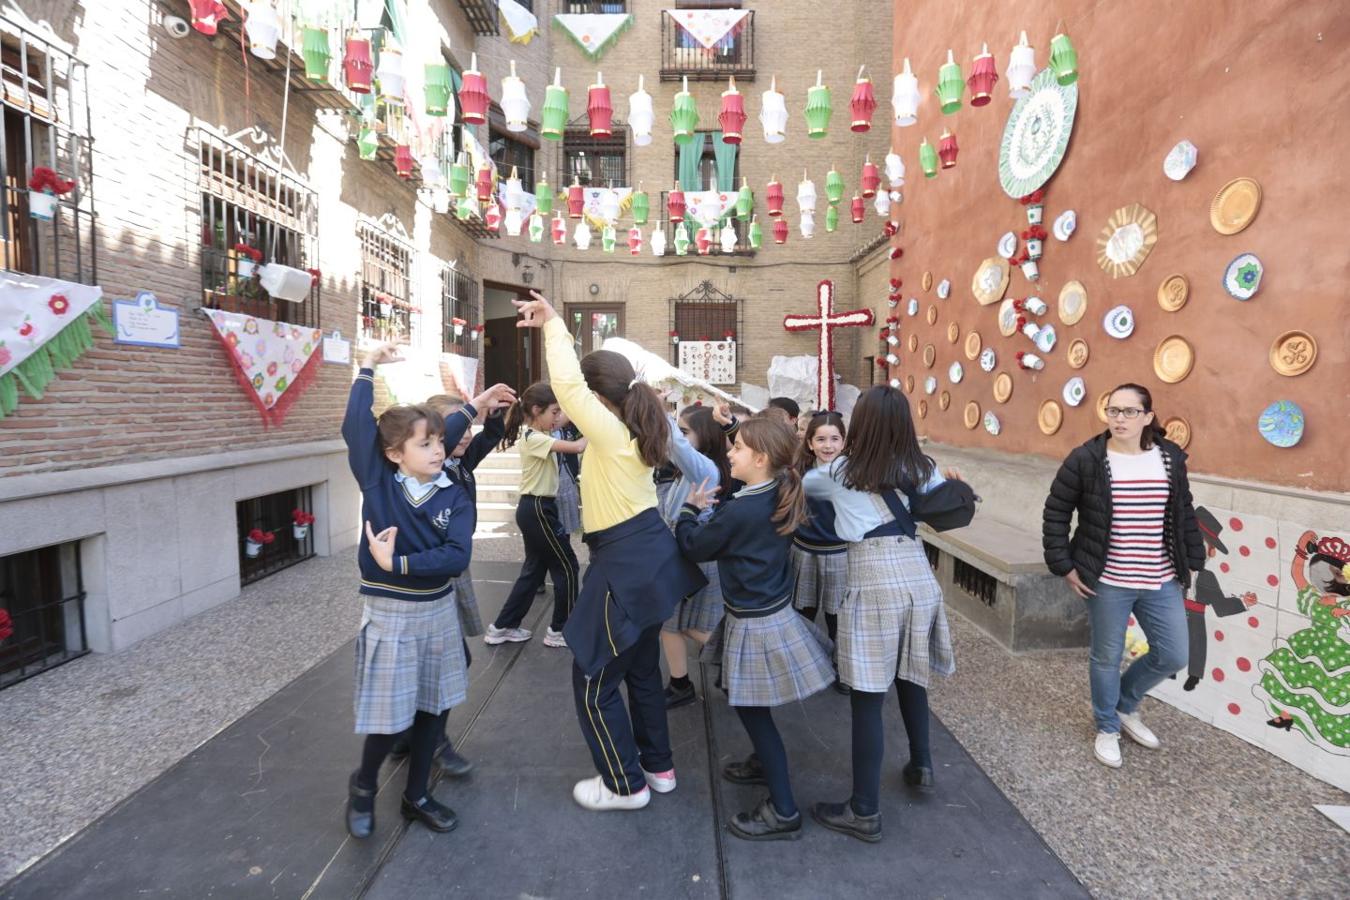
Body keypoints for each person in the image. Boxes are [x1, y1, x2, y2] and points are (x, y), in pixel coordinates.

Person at [513, 290, 706, 811]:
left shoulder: (612, 428)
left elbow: (568, 388)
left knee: (593, 675)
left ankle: (624, 784)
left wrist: (554, 323)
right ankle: (658, 768)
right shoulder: (634, 431)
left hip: (625, 563)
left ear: (600, 399)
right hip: (648, 558)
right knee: (641, 670)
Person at [341, 343, 512, 838]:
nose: (439, 449)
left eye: (441, 441)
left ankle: (416, 795)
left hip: (435, 610)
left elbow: (456, 557)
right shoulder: (378, 482)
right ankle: (364, 785)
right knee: (390, 718)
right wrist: (367, 366)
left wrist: (397, 561)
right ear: (394, 454)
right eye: (425, 444)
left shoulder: (453, 492)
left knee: (434, 706)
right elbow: (356, 425)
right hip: (390, 614)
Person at [802, 385, 959, 843]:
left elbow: (805, 483)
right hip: (917, 571)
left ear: (861, 424)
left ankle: (864, 810)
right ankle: (922, 763)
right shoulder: (921, 466)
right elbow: (941, 499)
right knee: (911, 675)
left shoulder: (838, 470)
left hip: (872, 576)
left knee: (868, 696)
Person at [676, 418, 836, 840]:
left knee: (750, 708)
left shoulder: (743, 507)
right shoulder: (775, 491)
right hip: (767, 611)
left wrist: (690, 512)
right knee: (739, 694)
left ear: (761, 458)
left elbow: (693, 546)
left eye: (739, 448)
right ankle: (765, 763)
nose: (729, 454)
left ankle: (784, 810)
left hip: (754, 620)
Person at [1042, 382, 1204, 769]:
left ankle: (1125, 706)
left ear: (1148, 417)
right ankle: (1107, 726)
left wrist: (1193, 558)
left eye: (1130, 411)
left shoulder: (1169, 458)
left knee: (1173, 654)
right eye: (1113, 410)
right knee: (1106, 657)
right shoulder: (1087, 459)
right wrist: (1063, 564)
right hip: (1108, 578)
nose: (1120, 418)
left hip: (1161, 577)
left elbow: (1183, 509)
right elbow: (1056, 512)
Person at [387, 390, 511, 776]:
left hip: (452, 570)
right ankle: (432, 739)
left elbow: (489, 437)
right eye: (446, 431)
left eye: (458, 429)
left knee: (447, 659)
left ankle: (410, 735)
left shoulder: (459, 462)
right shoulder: (425, 474)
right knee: (450, 659)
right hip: (429, 574)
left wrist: (492, 414)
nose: (462, 436)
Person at [487, 383, 586, 649]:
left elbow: (566, 416)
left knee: (533, 571)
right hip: (538, 510)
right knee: (567, 566)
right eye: (553, 413)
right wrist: (597, 430)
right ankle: (559, 630)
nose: (557, 418)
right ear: (535, 410)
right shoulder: (534, 438)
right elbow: (577, 447)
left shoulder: (538, 430)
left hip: (537, 509)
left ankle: (502, 627)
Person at [659, 405, 732, 709]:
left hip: (693, 552)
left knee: (682, 625)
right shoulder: (695, 469)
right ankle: (682, 683)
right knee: (676, 624)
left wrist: (654, 407)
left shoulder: (703, 469)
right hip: (687, 551)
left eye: (686, 430)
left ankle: (737, 664)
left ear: (706, 434)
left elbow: (672, 442)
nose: (681, 437)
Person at [793, 411, 849, 693]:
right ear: (810, 443)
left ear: (843, 442)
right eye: (821, 439)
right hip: (803, 551)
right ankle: (807, 665)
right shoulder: (799, 471)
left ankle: (843, 666)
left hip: (840, 554)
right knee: (803, 612)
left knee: (837, 616)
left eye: (835, 439)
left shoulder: (852, 473)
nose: (828, 445)